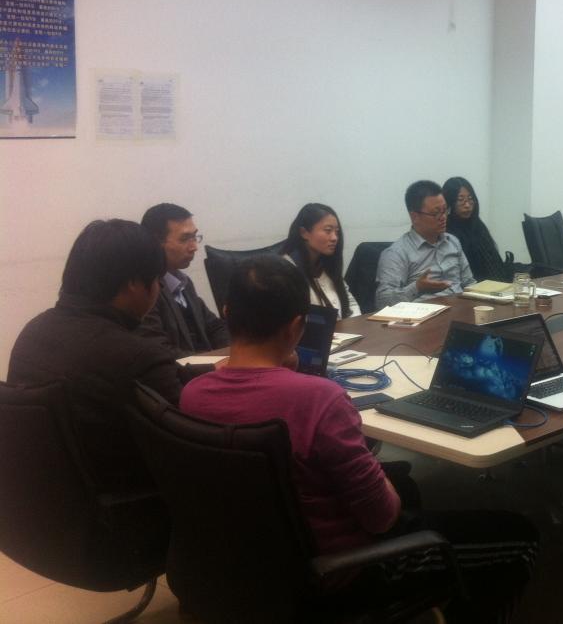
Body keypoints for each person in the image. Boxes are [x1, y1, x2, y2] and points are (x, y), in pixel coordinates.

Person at [180, 256, 536, 622]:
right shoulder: (320, 399)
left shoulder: (193, 394)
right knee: (519, 536)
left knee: (407, 486)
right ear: (297, 326)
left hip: (247, 566)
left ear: (226, 313)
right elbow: (382, 518)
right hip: (341, 575)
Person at [8, 219, 182, 491]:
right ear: (134, 284)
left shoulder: (33, 332)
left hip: (52, 500)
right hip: (135, 504)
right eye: (157, 280)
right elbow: (187, 449)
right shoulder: (137, 356)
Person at [138, 203, 230, 357]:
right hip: (183, 370)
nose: (194, 247)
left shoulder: (183, 283)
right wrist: (214, 363)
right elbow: (158, 350)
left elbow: (215, 327)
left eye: (194, 237)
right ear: (156, 242)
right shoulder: (145, 291)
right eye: (185, 238)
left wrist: (235, 355)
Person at [375, 180, 476, 308]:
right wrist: (418, 287)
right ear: (414, 217)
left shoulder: (453, 242)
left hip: (460, 311)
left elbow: (469, 283)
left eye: (445, 210)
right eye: (436, 213)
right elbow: (382, 302)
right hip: (425, 315)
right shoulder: (397, 253)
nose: (443, 217)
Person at [281, 202, 360, 317]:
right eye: (328, 230)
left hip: (342, 328)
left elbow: (350, 303)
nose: (334, 238)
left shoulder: (327, 265)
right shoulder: (285, 271)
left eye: (337, 232)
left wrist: (354, 324)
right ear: (304, 233)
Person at [442, 176, 511, 282]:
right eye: (460, 200)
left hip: (494, 285)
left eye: (470, 199)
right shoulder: (447, 231)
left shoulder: (477, 225)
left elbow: (494, 263)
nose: (467, 205)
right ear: (449, 202)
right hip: (469, 286)